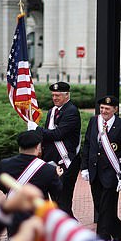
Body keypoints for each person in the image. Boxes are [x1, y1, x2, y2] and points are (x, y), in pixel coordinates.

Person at [0, 130, 63, 241]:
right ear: (38, 147)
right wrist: (58, 176)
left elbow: (1, 184)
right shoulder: (47, 169)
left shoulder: (6, 164)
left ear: (19, 146)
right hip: (36, 215)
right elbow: (57, 191)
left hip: (14, 214)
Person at [81, 95, 121, 241]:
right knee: (100, 207)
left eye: (107, 108)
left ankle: (102, 240)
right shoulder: (93, 121)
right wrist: (84, 167)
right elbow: (88, 145)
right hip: (94, 172)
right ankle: (119, 230)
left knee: (105, 208)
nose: (104, 111)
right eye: (102, 108)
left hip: (111, 174)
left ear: (115, 110)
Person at [39, 81, 81, 217]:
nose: (55, 98)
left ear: (67, 95)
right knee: (55, 201)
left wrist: (37, 130)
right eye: (53, 95)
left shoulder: (71, 111)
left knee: (63, 201)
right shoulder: (52, 111)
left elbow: (58, 134)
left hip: (66, 162)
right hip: (51, 160)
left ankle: (71, 231)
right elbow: (47, 136)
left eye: (58, 95)